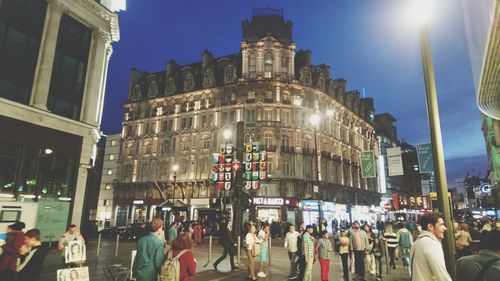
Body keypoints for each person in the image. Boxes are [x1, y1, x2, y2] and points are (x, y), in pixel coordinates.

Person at [410, 212, 452, 281]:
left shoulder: (416, 243)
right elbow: (441, 274)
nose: (445, 228)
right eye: (441, 225)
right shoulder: (430, 243)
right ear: (430, 226)